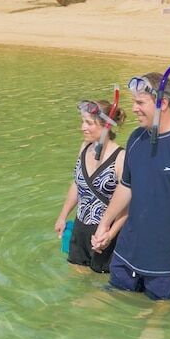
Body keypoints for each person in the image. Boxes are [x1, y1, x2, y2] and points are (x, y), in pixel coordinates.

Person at [92, 67, 170, 301]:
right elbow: (126, 187)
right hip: (127, 253)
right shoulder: (136, 138)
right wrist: (104, 225)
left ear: (162, 103)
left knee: (155, 323)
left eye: (140, 102)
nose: (134, 109)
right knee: (109, 304)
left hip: (165, 261)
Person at [52, 93, 123, 274]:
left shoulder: (121, 157)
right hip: (80, 229)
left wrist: (110, 234)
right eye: (82, 121)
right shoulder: (85, 147)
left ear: (107, 126)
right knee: (75, 284)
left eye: (89, 123)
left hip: (104, 237)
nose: (83, 127)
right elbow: (77, 184)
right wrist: (63, 216)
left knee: (100, 289)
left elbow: (127, 204)